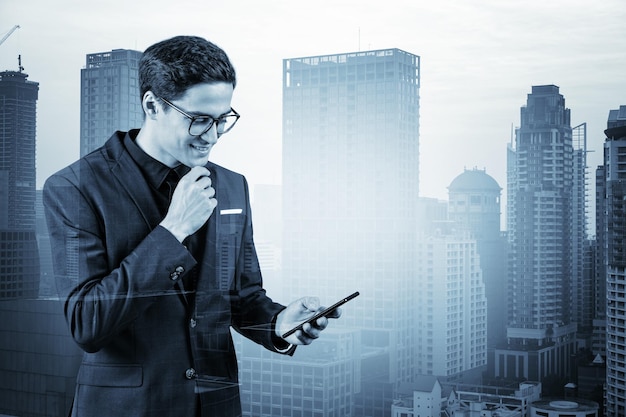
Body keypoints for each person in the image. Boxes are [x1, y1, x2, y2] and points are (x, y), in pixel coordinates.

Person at [43, 35, 340, 417]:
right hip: (126, 408)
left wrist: (279, 322)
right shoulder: (75, 187)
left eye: (222, 120)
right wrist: (173, 231)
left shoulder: (232, 185)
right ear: (152, 105)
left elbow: (241, 298)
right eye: (200, 120)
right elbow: (88, 323)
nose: (213, 136)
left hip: (216, 406)